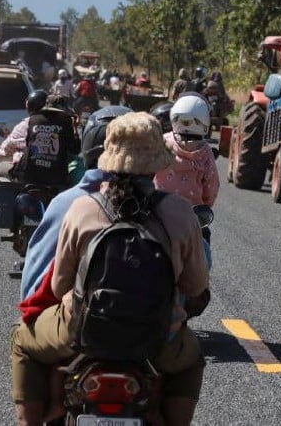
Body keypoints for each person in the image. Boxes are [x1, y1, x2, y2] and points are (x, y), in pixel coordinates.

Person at [11, 112, 210, 426]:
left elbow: (60, 286)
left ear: (108, 159)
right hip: (156, 340)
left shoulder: (82, 208)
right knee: (191, 360)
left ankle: (32, 421)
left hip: (80, 334)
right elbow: (196, 287)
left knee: (24, 342)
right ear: (159, 162)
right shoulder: (180, 213)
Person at [18, 105, 132, 300]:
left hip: (80, 320)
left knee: (23, 330)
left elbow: (36, 289)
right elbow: (194, 290)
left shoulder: (67, 204)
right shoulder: (169, 207)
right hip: (153, 326)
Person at [155, 96, 219, 208]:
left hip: (159, 206)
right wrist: (206, 206)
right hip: (190, 211)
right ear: (204, 121)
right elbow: (211, 185)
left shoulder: (163, 141)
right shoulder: (205, 151)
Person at [20, 94, 80, 191]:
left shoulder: (33, 119)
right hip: (55, 178)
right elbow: (75, 149)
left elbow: (28, 144)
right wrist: (75, 128)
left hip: (31, 175)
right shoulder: (65, 120)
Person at [0, 90, 48, 177]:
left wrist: (1, 151)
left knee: (2, 165)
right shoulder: (61, 124)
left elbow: (4, 150)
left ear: (28, 106)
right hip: (54, 174)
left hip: (28, 173)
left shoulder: (24, 125)